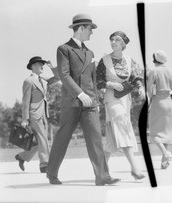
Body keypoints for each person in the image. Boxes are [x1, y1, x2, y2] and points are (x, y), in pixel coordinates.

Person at [46, 14, 120, 186]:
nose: (91, 33)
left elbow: (92, 80)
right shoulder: (63, 49)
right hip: (72, 101)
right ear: (80, 28)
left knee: (95, 138)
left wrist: (96, 101)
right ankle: (51, 172)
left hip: (90, 103)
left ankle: (102, 176)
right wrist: (80, 94)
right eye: (89, 29)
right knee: (63, 137)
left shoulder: (90, 52)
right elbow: (64, 75)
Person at [96, 31, 146, 181]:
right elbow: (97, 80)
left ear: (123, 43)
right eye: (111, 40)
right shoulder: (104, 60)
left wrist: (141, 87)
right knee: (124, 129)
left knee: (112, 139)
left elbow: (136, 77)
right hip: (111, 99)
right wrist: (110, 84)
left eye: (116, 40)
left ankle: (101, 172)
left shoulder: (130, 60)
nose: (113, 42)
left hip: (125, 100)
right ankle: (135, 168)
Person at [15, 57, 59, 173]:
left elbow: (58, 78)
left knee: (39, 140)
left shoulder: (43, 79)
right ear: (33, 66)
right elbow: (25, 100)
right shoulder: (28, 81)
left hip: (44, 113)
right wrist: (25, 119)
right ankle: (44, 164)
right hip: (34, 114)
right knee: (43, 138)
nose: (42, 66)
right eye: (40, 64)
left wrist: (52, 67)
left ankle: (22, 157)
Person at [147, 50, 172, 169]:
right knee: (167, 133)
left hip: (158, 102)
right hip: (169, 102)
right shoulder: (170, 72)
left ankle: (165, 153)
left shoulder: (154, 71)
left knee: (154, 132)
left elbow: (149, 90)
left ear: (155, 59)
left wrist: (149, 103)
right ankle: (164, 162)